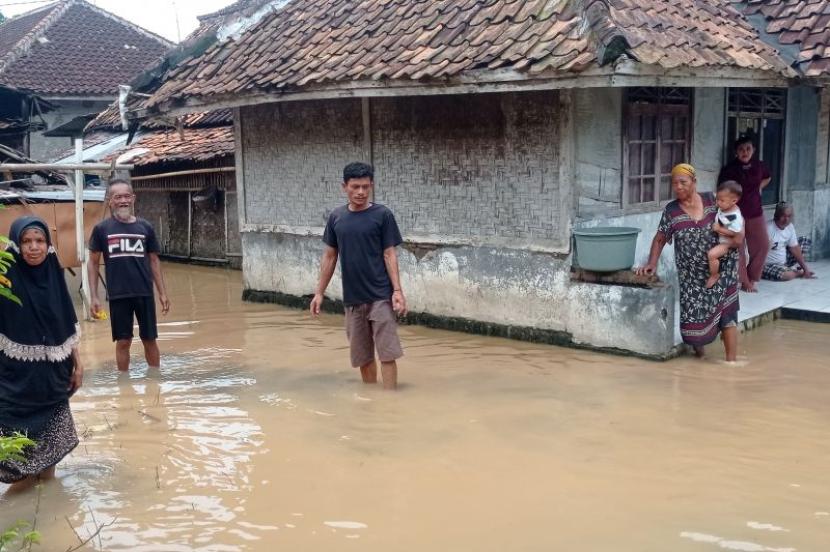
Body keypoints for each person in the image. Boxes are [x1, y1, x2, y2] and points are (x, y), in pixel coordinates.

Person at [0, 216, 83, 488]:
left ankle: (48, 517)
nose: (33, 247)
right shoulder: (4, 283)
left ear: (48, 245)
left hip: (52, 384)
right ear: (16, 245)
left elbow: (68, 323)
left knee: (48, 470)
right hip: (15, 387)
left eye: (39, 241)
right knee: (18, 471)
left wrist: (78, 365)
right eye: (26, 241)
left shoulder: (54, 275)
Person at [309, 162, 407, 390]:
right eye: (355, 187)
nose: (361, 192)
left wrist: (397, 291)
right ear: (344, 187)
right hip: (353, 299)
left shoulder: (382, 215)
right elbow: (330, 257)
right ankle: (371, 399)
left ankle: (390, 401)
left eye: (365, 186)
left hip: (381, 296)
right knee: (363, 357)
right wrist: (319, 293)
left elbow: (389, 254)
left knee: (387, 353)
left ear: (371, 185)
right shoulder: (336, 218)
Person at [636, 164, 743, 361]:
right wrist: (652, 263)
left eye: (683, 182)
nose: (678, 187)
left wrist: (737, 239)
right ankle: (700, 356)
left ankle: (731, 362)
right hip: (691, 278)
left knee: (727, 316)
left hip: (721, 270)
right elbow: (660, 238)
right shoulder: (672, 211)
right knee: (694, 325)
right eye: (674, 183)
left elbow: (736, 219)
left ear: (694, 182)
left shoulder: (713, 200)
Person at [88, 179, 170, 372]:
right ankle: (123, 384)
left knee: (150, 339)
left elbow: (154, 261)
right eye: (118, 197)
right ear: (110, 201)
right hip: (118, 295)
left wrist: (162, 293)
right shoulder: (102, 229)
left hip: (144, 293)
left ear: (133, 198)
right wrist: (93, 296)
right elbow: (93, 263)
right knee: (123, 341)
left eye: (126, 196)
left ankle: (155, 382)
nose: (123, 200)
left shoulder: (145, 227)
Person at [718, 136, 771, 292]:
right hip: (735, 214)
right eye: (741, 149)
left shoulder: (759, 165)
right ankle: (745, 282)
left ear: (753, 150)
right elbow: (722, 189)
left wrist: (757, 189)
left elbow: (768, 177)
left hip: (756, 212)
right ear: (736, 152)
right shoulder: (729, 169)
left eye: (748, 149)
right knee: (738, 249)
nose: (745, 152)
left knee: (763, 245)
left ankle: (752, 276)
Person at [762, 202, 816, 281]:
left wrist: (806, 270)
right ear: (776, 215)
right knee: (787, 275)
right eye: (783, 216)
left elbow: (794, 248)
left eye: (789, 216)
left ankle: (789, 268)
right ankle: (796, 272)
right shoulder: (767, 228)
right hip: (768, 265)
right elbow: (758, 254)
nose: (786, 220)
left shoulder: (790, 227)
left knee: (804, 240)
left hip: (784, 261)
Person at [706, 181, 744, 289]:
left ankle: (714, 275)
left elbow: (735, 232)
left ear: (734, 201)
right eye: (717, 199)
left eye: (722, 200)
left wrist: (719, 229)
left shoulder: (733, 216)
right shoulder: (726, 206)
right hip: (721, 238)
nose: (718, 202)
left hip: (727, 243)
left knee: (711, 255)